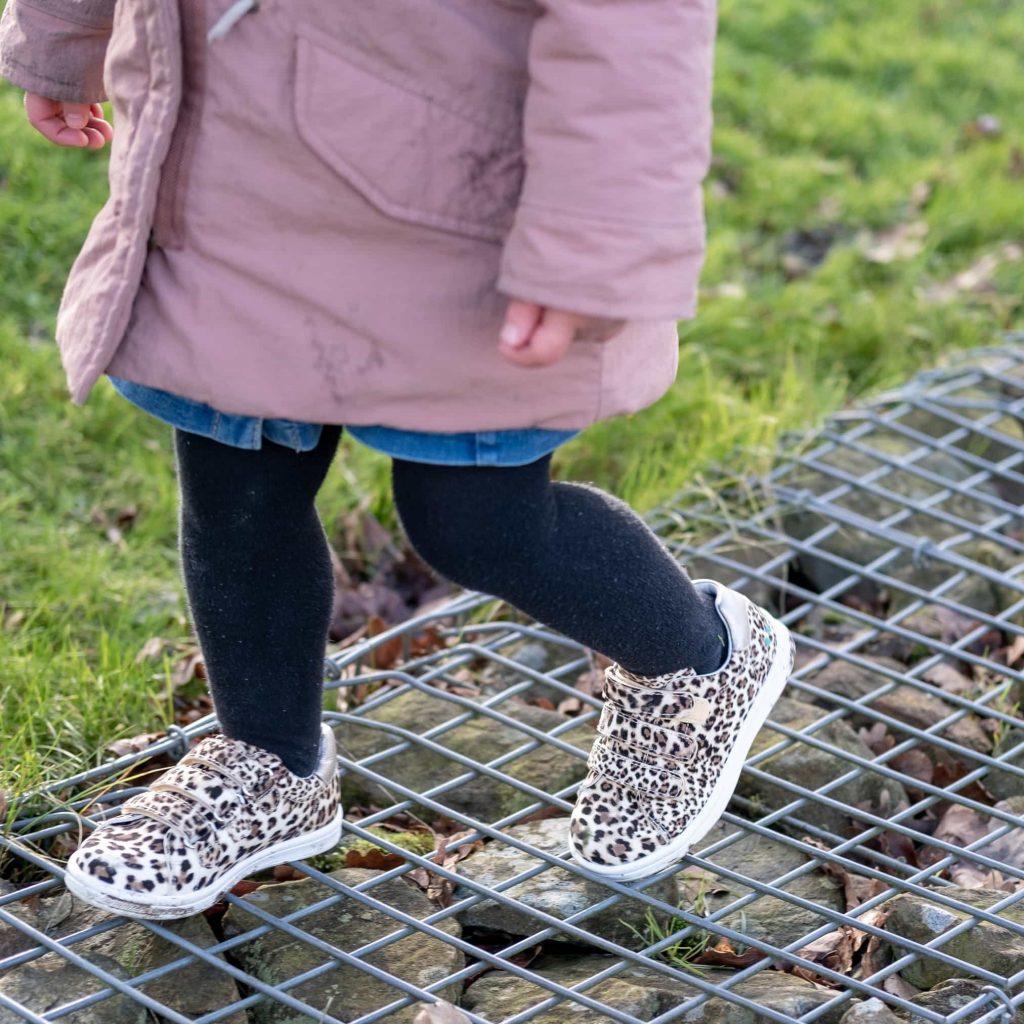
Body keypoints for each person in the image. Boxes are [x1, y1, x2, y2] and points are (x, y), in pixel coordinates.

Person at [1, 0, 793, 920]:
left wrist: (592, 240)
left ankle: (698, 666)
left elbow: (634, 25)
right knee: (235, 485)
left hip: (453, 194)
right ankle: (272, 762)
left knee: (474, 521)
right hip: (225, 167)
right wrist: (63, 38)